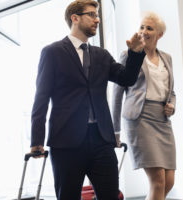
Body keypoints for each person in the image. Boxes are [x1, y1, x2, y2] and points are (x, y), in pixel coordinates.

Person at [30, 0, 145, 199]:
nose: (97, 19)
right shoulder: (53, 52)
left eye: (97, 15)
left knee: (110, 195)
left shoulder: (102, 55)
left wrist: (135, 54)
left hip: (101, 140)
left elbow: (126, 78)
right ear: (75, 18)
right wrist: (37, 139)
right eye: (91, 14)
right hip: (65, 141)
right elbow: (41, 98)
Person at [112, 11, 176, 200]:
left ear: (159, 34)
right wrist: (114, 130)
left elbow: (171, 91)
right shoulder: (129, 55)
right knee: (157, 180)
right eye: (141, 27)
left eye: (149, 28)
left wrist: (171, 104)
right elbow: (117, 94)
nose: (144, 31)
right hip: (140, 119)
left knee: (169, 181)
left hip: (163, 120)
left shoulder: (167, 58)